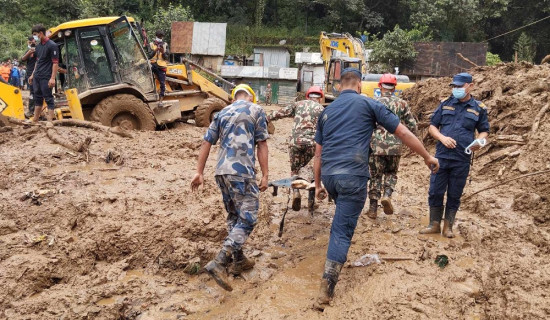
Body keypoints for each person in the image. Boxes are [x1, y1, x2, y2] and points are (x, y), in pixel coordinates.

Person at [313, 68, 439, 309]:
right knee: (341, 231)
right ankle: (326, 288)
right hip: (353, 175)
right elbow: (402, 131)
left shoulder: (326, 111)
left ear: (339, 86)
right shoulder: (369, 104)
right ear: (360, 85)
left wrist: (318, 185)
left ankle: (335, 253)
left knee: (341, 218)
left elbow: (317, 153)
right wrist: (426, 156)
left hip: (330, 176)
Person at [190, 84, 269, 292]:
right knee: (249, 217)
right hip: (242, 171)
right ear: (251, 97)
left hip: (221, 172)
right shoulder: (256, 110)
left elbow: (206, 142)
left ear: (233, 98)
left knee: (235, 216)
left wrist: (199, 172)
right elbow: (262, 144)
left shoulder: (222, 112)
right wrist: (266, 175)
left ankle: (239, 259)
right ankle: (220, 261)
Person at [420, 72, 489, 238]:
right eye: (454, 86)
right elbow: (432, 127)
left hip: (462, 159)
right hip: (441, 157)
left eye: (460, 86)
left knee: (455, 193)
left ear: (471, 86)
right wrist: (442, 138)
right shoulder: (445, 104)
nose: (456, 89)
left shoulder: (479, 108)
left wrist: (479, 142)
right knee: (435, 191)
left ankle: (448, 227)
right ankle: (434, 224)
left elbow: (484, 131)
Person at [366, 74, 417, 219]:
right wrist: (415, 143)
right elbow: (412, 124)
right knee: (391, 173)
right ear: (395, 88)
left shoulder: (373, 102)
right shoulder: (402, 104)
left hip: (376, 146)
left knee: (375, 176)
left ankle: (373, 209)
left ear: (380, 86)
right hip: (395, 146)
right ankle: (387, 195)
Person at [267, 86, 325, 210]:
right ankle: (311, 202)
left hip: (295, 143)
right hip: (313, 144)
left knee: (295, 171)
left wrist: (267, 118)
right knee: (312, 171)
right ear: (320, 98)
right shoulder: (322, 109)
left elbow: (280, 113)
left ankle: (296, 193)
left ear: (307, 96)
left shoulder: (298, 104)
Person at [28, 24, 59, 122]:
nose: (34, 37)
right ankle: (35, 119)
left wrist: (52, 78)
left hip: (46, 76)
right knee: (37, 98)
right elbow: (38, 62)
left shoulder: (52, 45)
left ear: (41, 33)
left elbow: (55, 63)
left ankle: (50, 121)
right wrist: (32, 75)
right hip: (37, 76)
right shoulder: (38, 47)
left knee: (48, 97)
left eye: (35, 34)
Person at [149, 30, 168, 104]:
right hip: (152, 65)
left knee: (162, 83)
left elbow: (166, 58)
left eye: (161, 37)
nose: (160, 38)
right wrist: (155, 50)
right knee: (149, 81)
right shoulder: (151, 44)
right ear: (156, 36)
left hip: (161, 66)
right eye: (158, 37)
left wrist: (163, 52)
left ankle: (161, 100)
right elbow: (149, 55)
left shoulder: (165, 45)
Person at [22, 36, 38, 116]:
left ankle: (38, 111)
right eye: (30, 42)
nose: (32, 43)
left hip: (37, 73)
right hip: (29, 73)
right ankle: (31, 111)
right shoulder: (28, 51)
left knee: (38, 91)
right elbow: (23, 59)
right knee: (32, 92)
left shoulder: (39, 49)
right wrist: (29, 52)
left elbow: (38, 62)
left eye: (33, 42)